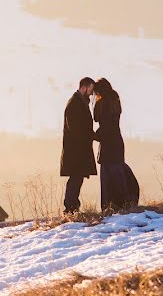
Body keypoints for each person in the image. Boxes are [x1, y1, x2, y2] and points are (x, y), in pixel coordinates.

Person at [92, 78, 140, 211]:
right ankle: (125, 202)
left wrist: (93, 135)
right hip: (116, 142)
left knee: (108, 176)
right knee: (118, 173)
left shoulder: (103, 103)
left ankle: (110, 205)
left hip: (108, 144)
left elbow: (99, 119)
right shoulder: (114, 100)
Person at [60, 77, 97, 213]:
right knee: (75, 178)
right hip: (76, 151)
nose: (92, 94)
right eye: (91, 90)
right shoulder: (75, 104)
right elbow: (76, 128)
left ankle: (72, 207)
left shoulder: (79, 102)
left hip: (78, 150)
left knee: (77, 178)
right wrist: (92, 136)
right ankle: (70, 208)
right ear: (84, 87)